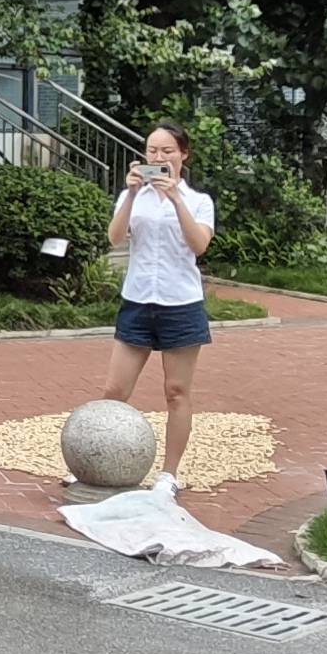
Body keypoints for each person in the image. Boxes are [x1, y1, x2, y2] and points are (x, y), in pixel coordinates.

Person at [103, 123, 219, 492]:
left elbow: (199, 245)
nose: (158, 158)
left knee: (176, 392)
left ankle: (169, 474)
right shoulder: (132, 195)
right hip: (138, 299)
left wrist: (176, 200)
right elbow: (115, 237)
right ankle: (98, 460)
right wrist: (132, 194)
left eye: (167, 151)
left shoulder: (199, 200)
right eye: (152, 151)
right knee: (114, 390)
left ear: (183, 154)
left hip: (180, 303)